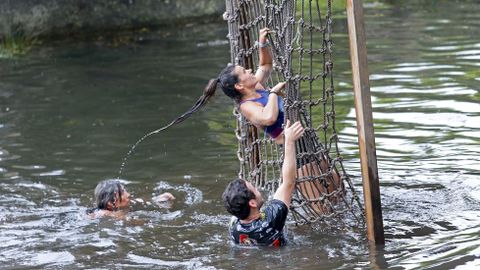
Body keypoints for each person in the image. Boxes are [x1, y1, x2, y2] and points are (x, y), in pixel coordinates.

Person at [222, 120, 304, 247]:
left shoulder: (234, 226)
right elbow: (288, 183)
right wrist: (289, 141)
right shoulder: (271, 220)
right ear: (252, 203)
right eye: (254, 189)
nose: (257, 189)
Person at [205, 27, 286, 144]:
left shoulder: (256, 89)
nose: (249, 70)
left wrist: (262, 43)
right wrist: (273, 92)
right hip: (292, 147)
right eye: (244, 71)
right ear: (239, 86)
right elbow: (269, 118)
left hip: (300, 136)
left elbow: (265, 65)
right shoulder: (246, 106)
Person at [86, 179, 175, 218]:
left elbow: (139, 201)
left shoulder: (112, 209)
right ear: (111, 202)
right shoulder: (104, 214)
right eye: (123, 192)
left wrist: (156, 199)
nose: (128, 194)